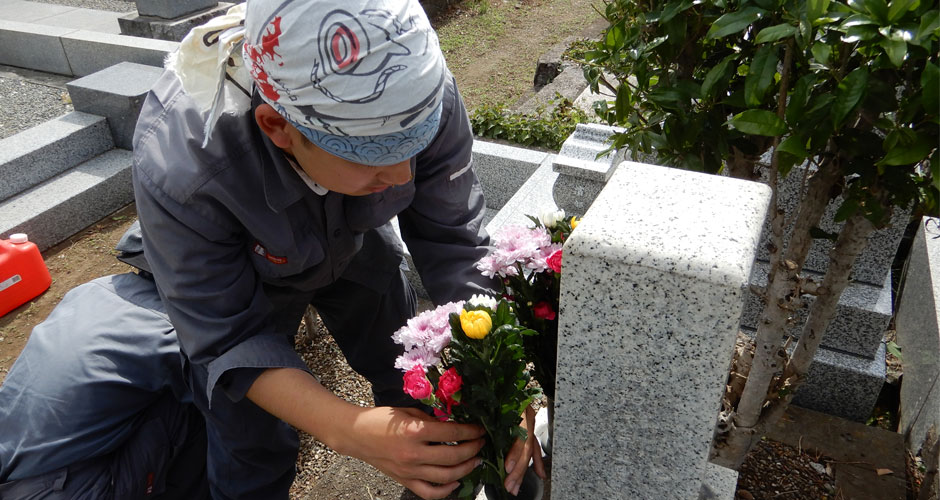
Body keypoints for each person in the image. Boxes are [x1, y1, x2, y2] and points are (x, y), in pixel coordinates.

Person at [131, 1, 543, 499]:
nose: (403, 178)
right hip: (252, 276)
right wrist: (346, 428)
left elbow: (454, 238)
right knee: (251, 439)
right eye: (374, 161)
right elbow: (226, 335)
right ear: (278, 128)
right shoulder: (183, 169)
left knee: (421, 377)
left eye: (414, 149)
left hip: (358, 242)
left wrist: (497, 369)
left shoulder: (413, 88)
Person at [0, 225, 209, 499]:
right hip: (64, 489)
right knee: (208, 398)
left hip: (12, 468)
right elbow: (229, 391)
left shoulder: (91, 290)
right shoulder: (170, 328)